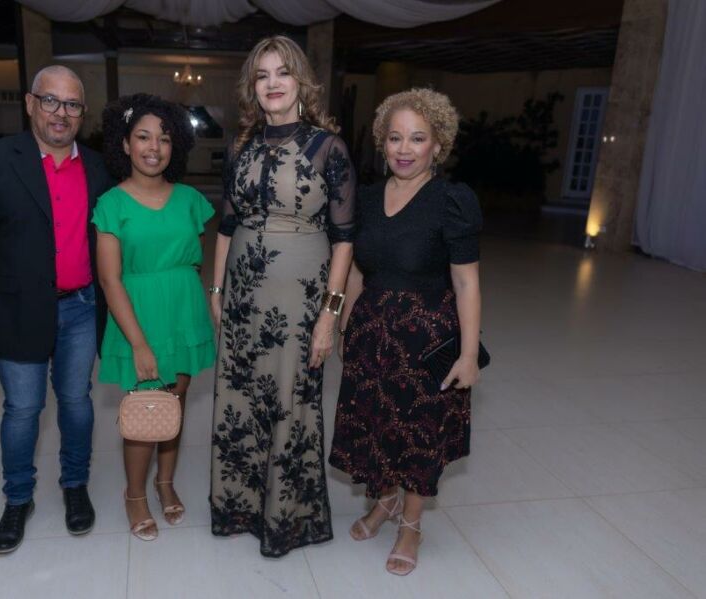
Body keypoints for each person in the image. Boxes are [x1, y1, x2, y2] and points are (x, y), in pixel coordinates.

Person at [209, 35, 356, 557]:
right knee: (242, 398)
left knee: (291, 399)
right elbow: (226, 226)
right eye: (262, 75)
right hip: (243, 293)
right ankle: (240, 507)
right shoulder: (240, 148)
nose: (272, 83)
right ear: (252, 87)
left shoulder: (327, 148)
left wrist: (329, 316)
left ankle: (288, 518)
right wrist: (217, 288)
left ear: (301, 82)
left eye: (283, 72)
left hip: (300, 299)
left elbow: (344, 240)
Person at [0, 65, 113, 554]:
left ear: (82, 114)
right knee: (23, 409)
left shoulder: (97, 166)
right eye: (50, 101)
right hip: (17, 310)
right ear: (30, 103)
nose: (60, 113)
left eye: (72, 105)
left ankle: (75, 485)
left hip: (81, 307)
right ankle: (18, 498)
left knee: (77, 402)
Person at [329, 88, 483, 575]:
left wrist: (467, 356)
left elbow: (467, 282)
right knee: (378, 424)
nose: (404, 148)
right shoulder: (367, 198)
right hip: (373, 331)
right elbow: (357, 270)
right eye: (395, 137)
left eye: (418, 138)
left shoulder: (452, 201)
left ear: (438, 144)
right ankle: (385, 500)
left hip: (428, 337)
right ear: (383, 141)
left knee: (419, 432)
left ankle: (411, 525)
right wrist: (346, 326)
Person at [92, 93, 215, 541]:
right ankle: (135, 495)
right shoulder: (111, 204)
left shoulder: (191, 200)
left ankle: (165, 483)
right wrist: (140, 344)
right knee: (146, 407)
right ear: (125, 144)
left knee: (174, 403)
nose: (153, 147)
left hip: (183, 313)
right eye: (143, 137)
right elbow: (110, 280)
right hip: (138, 319)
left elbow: (193, 263)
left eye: (164, 138)